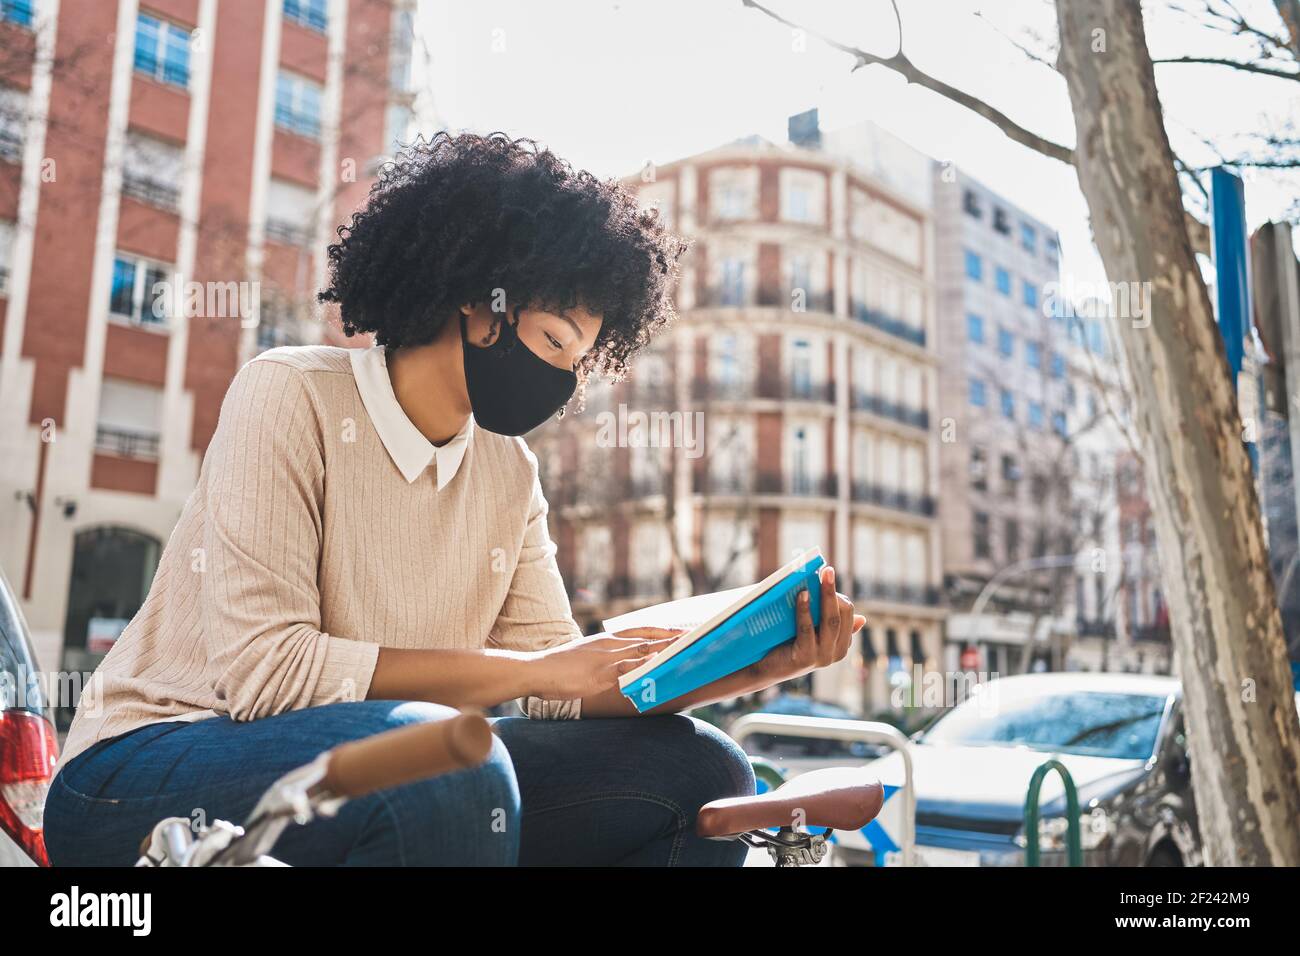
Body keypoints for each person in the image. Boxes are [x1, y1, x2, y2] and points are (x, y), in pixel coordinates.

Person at [45, 132, 865, 866]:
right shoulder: (288, 394)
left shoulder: (508, 474)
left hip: (390, 763)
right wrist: (533, 669)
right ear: (481, 302)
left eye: (580, 363)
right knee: (445, 757)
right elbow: (269, 672)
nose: (561, 381)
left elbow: (559, 685)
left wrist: (756, 665)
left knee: (701, 769)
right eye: (552, 341)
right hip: (146, 768)